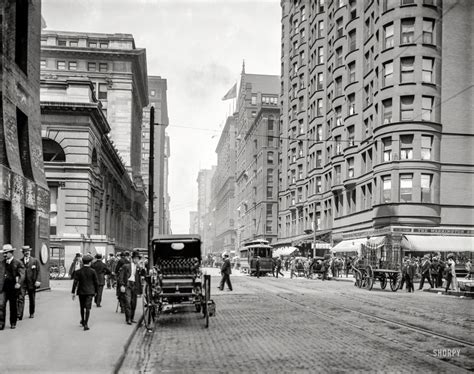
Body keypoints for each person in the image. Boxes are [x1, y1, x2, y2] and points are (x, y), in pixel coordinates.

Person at [71, 254, 98, 331]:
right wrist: (96, 292)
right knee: (88, 308)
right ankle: (86, 324)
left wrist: (73, 292)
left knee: (82, 307)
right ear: (89, 263)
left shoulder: (78, 271)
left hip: (81, 292)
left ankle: (82, 320)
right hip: (90, 292)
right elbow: (96, 282)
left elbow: (75, 282)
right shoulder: (93, 271)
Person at [117, 250, 144, 325]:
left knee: (133, 303)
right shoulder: (126, 266)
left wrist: (141, 268)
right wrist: (122, 285)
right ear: (132, 259)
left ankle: (131, 318)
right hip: (127, 285)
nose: (137, 260)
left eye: (138, 259)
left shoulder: (138, 267)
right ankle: (128, 319)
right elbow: (121, 276)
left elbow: (143, 275)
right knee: (128, 302)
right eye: (135, 258)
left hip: (135, 286)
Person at [2, 244, 25, 329]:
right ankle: (1, 323)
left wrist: (19, 283)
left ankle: (13, 322)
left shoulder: (18, 263)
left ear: (11, 253)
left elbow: (22, 274)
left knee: (13, 305)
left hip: (13, 287)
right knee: (1, 305)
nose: (4, 255)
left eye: (6, 253)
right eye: (4, 253)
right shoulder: (2, 263)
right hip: (3, 288)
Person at [17, 245, 41, 320]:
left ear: (30, 251)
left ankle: (31, 312)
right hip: (23, 283)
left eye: (28, 251)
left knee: (32, 298)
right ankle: (19, 315)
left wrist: (38, 280)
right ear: (23, 252)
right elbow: (18, 272)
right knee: (20, 298)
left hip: (32, 282)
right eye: (25, 251)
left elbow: (38, 271)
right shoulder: (20, 261)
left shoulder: (35, 261)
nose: (27, 252)